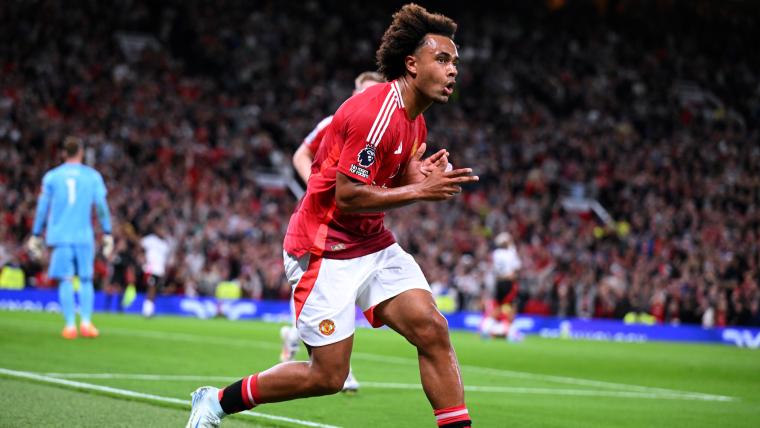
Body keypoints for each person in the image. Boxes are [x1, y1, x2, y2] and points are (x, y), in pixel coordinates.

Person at [187, 4, 477, 427]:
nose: (453, 70)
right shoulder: (375, 112)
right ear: (412, 64)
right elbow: (347, 197)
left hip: (371, 243)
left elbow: (386, 181)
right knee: (328, 376)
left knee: (432, 328)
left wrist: (414, 175)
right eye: (443, 59)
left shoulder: (415, 121)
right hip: (324, 248)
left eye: (455, 61)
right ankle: (214, 401)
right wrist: (420, 189)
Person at [280, 70, 385, 393]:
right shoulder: (334, 122)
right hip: (321, 222)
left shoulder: (383, 130)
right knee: (331, 290)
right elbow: (301, 154)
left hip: (356, 228)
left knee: (344, 292)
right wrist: (313, 184)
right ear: (354, 92)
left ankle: (297, 339)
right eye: (364, 92)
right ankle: (341, 367)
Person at [27, 136, 113, 339]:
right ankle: (86, 322)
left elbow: (42, 208)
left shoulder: (52, 177)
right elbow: (101, 206)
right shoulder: (92, 176)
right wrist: (107, 231)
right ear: (81, 153)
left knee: (66, 279)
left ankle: (69, 326)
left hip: (61, 236)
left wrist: (36, 233)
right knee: (86, 279)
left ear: (64, 153)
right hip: (84, 236)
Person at [480, 232, 522, 340]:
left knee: (498, 308)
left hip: (498, 282)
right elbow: (517, 267)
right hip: (508, 282)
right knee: (511, 308)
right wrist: (512, 245)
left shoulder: (496, 253)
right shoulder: (511, 253)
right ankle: (512, 334)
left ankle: (485, 329)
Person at [140, 223, 172, 317]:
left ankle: (150, 309)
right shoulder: (151, 239)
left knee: (155, 290)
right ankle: (147, 311)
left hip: (160, 271)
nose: (163, 232)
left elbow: (165, 260)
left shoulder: (165, 244)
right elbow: (140, 244)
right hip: (151, 269)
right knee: (151, 288)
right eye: (161, 230)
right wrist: (142, 257)